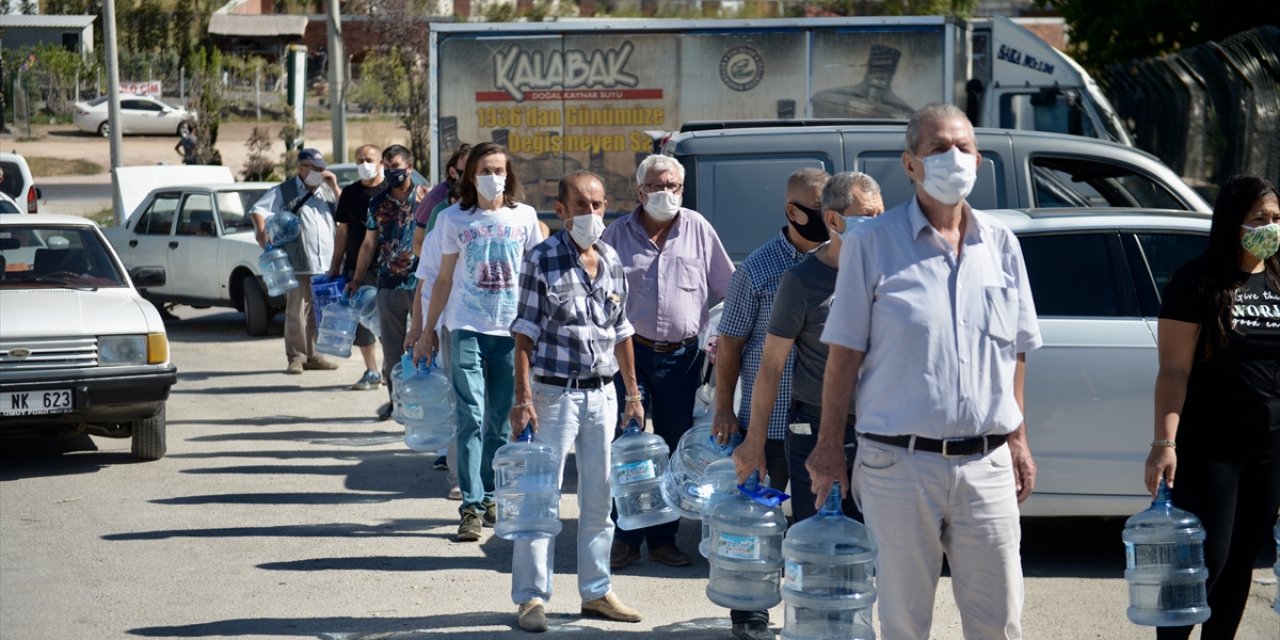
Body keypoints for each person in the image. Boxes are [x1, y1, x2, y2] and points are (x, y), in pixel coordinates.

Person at [807, 103, 1041, 640]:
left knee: (1001, 620)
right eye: (939, 148)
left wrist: (1020, 440)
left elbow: (1016, 351)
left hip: (987, 464)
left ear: (979, 161)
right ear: (911, 164)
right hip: (898, 465)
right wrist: (827, 448)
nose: (953, 158)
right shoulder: (871, 243)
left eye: (963, 147)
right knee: (905, 622)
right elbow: (844, 353)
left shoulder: (1002, 246)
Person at [507, 170, 645, 632]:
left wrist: (632, 393)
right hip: (553, 395)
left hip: (603, 394)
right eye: (582, 206)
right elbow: (524, 332)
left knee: (600, 499)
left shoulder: (610, 258)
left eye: (599, 204)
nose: (591, 214)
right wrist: (522, 398)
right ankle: (530, 599)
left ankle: (597, 592)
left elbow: (622, 330)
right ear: (561, 209)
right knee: (540, 500)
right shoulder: (541, 259)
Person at [1145, 175, 1280, 640]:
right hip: (1211, 448)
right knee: (1204, 564)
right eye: (1259, 218)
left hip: (1268, 449)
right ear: (1232, 222)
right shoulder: (1196, 281)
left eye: (1277, 218)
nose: (1271, 227)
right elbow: (1173, 371)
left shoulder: (1279, 277)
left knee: (1242, 563)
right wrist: (1164, 442)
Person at [599, 154, 734, 571]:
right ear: (640, 191)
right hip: (630, 356)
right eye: (656, 186)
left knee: (676, 448)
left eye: (673, 186)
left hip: (682, 358)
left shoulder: (698, 229)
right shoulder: (615, 234)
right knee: (627, 449)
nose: (665, 193)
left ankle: (663, 538)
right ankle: (625, 535)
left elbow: (730, 288)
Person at [713, 167, 830, 640]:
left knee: (811, 527)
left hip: (815, 425)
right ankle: (751, 616)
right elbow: (731, 345)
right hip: (765, 425)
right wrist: (725, 409)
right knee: (757, 527)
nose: (832, 221)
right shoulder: (757, 270)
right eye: (823, 212)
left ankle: (809, 617)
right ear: (793, 211)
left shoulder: (837, 264)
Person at [733, 171, 883, 527]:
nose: (878, 226)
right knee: (819, 546)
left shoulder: (891, 273)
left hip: (881, 430)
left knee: (875, 551)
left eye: (882, 216)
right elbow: (770, 367)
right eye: (867, 217)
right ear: (833, 220)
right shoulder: (802, 281)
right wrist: (754, 443)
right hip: (816, 431)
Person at [415, 141, 542, 542]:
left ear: (510, 174)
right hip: (466, 326)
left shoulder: (525, 217)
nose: (493, 177)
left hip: (510, 331)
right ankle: (470, 506)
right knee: (470, 416)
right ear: (470, 175)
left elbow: (536, 280)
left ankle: (490, 494)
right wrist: (426, 332)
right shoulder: (453, 219)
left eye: (499, 169)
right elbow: (444, 279)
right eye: (485, 169)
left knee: (501, 421)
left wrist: (540, 329)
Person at [348, 145, 423, 421]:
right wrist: (357, 278)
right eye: (389, 168)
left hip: (422, 285)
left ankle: (426, 400)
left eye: (398, 168)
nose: (393, 174)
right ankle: (397, 402)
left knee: (425, 347)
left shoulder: (426, 198)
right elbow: (369, 243)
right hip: (388, 285)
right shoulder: (377, 203)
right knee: (393, 350)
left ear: (410, 168)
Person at [251, 148, 341, 375]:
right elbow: (258, 209)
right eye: (315, 168)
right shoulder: (286, 190)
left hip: (324, 261)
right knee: (296, 311)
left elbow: (344, 214)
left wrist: (335, 187)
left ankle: (315, 355)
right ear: (302, 168)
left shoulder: (326, 191)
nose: (320, 172)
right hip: (298, 259)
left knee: (317, 310)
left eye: (322, 168)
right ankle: (295, 357)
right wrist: (261, 231)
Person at [328, 143, 385, 392]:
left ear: (381, 162)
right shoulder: (350, 193)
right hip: (356, 269)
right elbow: (343, 231)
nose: (365, 164)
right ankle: (372, 371)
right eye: (360, 160)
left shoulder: (391, 191)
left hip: (388, 269)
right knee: (362, 324)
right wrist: (335, 265)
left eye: (369, 159)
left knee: (391, 323)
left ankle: (393, 367)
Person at [413, 143, 472, 255]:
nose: (473, 177)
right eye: (467, 172)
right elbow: (418, 244)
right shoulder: (437, 200)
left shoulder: (486, 200)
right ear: (453, 172)